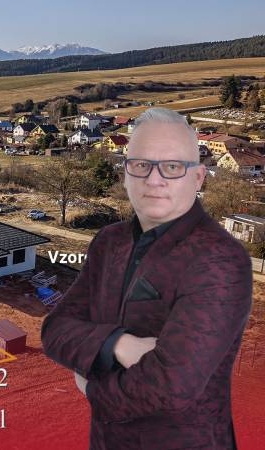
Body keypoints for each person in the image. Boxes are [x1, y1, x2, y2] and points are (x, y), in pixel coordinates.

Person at [41, 107, 252, 449]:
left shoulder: (219, 259)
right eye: (141, 165)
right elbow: (55, 330)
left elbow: (170, 386)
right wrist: (118, 344)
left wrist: (92, 387)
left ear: (197, 178)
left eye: (171, 167)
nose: (154, 181)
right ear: (126, 174)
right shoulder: (109, 242)